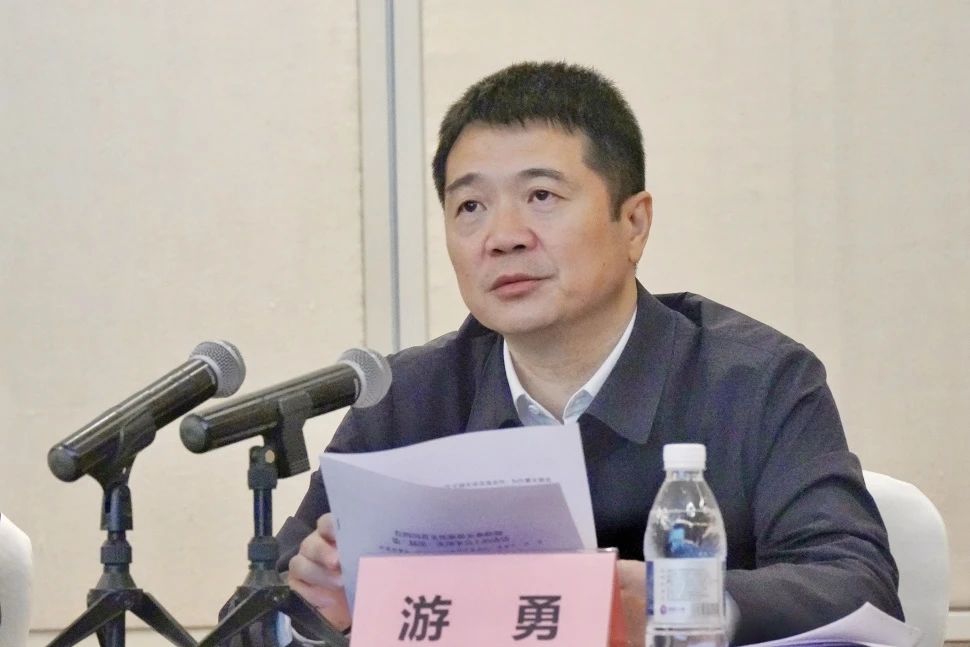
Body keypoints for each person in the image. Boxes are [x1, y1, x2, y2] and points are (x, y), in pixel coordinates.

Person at [276, 61, 903, 645]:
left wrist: (671, 599)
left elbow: (856, 584)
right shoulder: (405, 399)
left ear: (634, 224)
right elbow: (257, 616)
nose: (503, 237)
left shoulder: (756, 381)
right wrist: (310, 619)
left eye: (542, 196)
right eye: (470, 206)